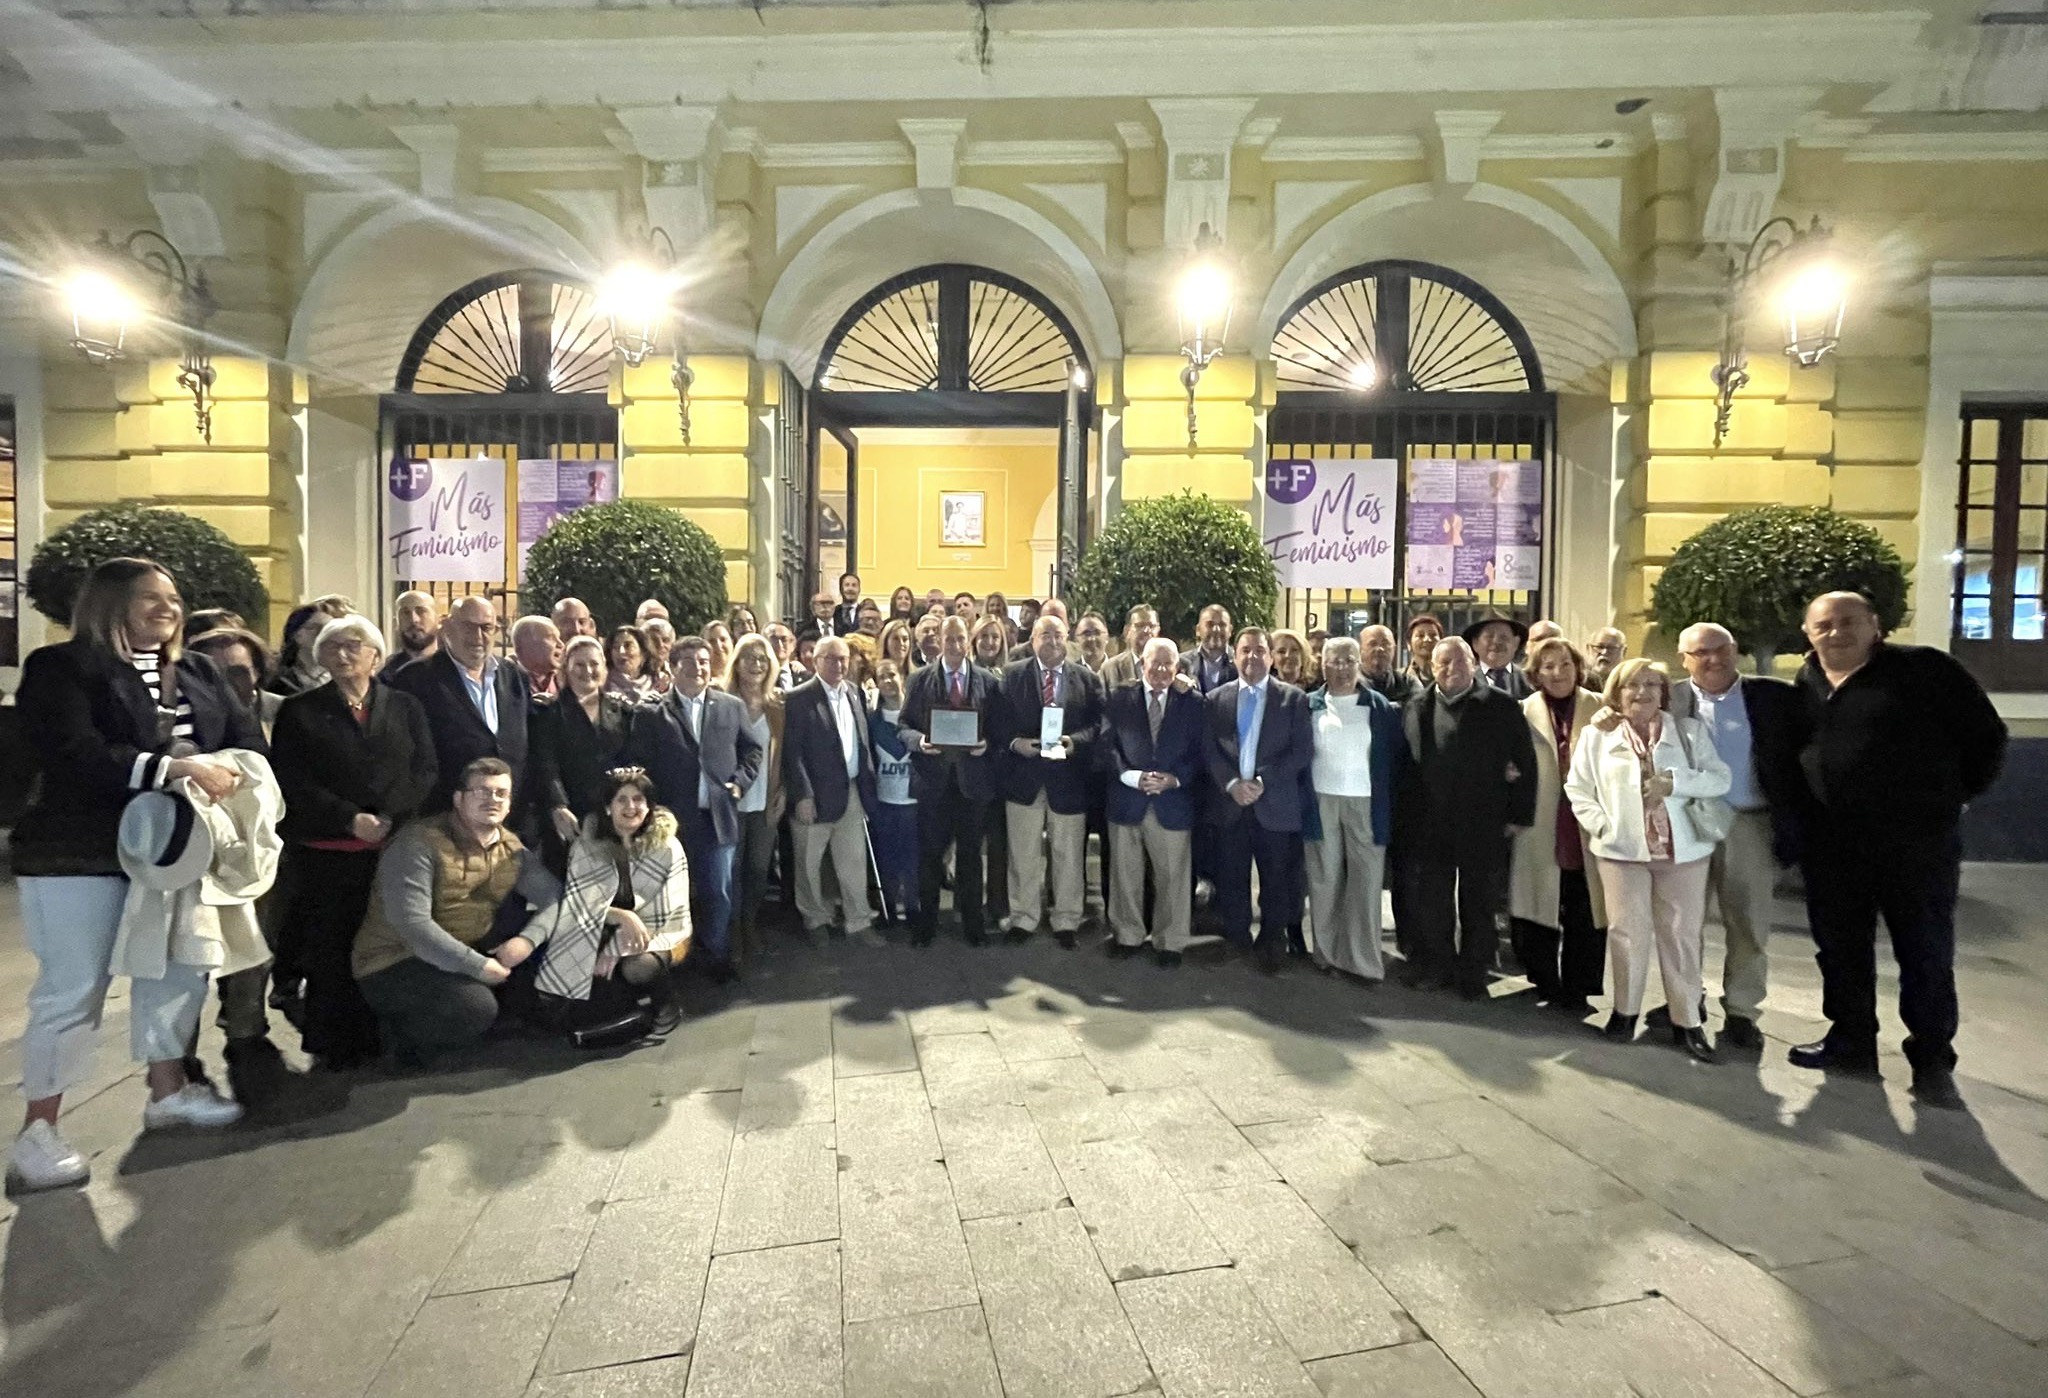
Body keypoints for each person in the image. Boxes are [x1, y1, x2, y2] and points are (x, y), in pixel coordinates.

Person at [7, 559, 265, 1189]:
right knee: (74, 987)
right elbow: (73, 753)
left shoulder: (199, 670)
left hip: (175, 851)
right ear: (108, 603)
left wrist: (232, 768)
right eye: (149, 598)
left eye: (172, 597)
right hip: (80, 853)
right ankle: (38, 1130)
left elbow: (244, 736)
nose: (167, 608)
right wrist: (176, 768)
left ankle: (168, 1090)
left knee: (178, 970)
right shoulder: (61, 667)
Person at [1786, 591, 2006, 1107]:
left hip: (1915, 843)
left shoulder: (1925, 669)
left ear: (1875, 625)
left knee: (1923, 949)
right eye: (1824, 625)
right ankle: (1851, 1041)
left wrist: (1953, 798)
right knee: (1840, 948)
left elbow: (1987, 737)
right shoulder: (1808, 679)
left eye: (1848, 622)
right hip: (1834, 845)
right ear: (1808, 633)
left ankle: (1931, 1060)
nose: (1836, 632)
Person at [269, 614, 436, 1071]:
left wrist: (389, 816)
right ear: (320, 656)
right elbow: (291, 779)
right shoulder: (300, 711)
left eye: (354, 645)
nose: (343, 654)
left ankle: (388, 1033)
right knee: (331, 948)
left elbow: (424, 769)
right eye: (333, 646)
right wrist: (348, 818)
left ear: (375, 656)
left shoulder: (404, 706)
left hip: (392, 843)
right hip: (329, 849)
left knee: (387, 941)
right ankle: (336, 1043)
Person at [1566, 658, 1732, 1061]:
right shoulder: (1597, 735)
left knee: (1682, 936)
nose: (1641, 692)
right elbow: (1578, 788)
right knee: (1626, 934)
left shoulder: (1688, 732)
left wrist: (1674, 783)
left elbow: (1719, 778)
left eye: (1651, 685)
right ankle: (1624, 1013)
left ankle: (1687, 1021)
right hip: (1621, 851)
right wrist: (1603, 826)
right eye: (1631, 685)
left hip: (1683, 852)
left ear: (1664, 692)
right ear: (1616, 693)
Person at [351, 758, 560, 1066]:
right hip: (394, 960)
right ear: (458, 799)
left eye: (501, 793)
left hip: (461, 948)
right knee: (474, 1008)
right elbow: (412, 925)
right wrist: (477, 966)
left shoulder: (511, 848)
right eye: (482, 792)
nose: (493, 800)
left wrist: (527, 941)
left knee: (545, 962)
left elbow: (553, 896)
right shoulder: (417, 843)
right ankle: (400, 1042)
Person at [1668, 622, 1806, 1049]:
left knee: (1748, 921)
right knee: (1682, 922)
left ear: (1735, 650)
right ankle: (1685, 1001)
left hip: (1748, 822)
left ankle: (1743, 1010)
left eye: (1721, 648)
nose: (1713, 659)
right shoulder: (1669, 698)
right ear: (1684, 660)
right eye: (1701, 652)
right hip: (1687, 822)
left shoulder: (1774, 697)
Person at [1396, 637, 1538, 998]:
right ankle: (1438, 965)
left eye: (1460, 662)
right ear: (1432, 668)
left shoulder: (1502, 706)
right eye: (1443, 663)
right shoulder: (1416, 706)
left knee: (1479, 903)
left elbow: (1525, 762)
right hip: (1431, 821)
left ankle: (1473, 974)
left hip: (1483, 821)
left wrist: (1520, 814)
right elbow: (1406, 765)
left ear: (1473, 665)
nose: (1452, 669)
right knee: (1434, 901)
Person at [506, 767, 688, 1043]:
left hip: (661, 928)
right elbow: (578, 901)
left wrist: (617, 946)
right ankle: (626, 1016)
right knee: (574, 972)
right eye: (622, 799)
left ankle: (665, 1000)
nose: (631, 807)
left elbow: (669, 909)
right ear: (607, 807)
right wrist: (621, 917)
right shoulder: (587, 844)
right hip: (603, 926)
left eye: (638, 799)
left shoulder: (667, 846)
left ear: (649, 806)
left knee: (636, 967)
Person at [625, 634, 762, 981]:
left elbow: (752, 750)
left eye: (703, 661)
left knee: (718, 892)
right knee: (673, 895)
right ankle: (673, 959)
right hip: (670, 822)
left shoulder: (731, 706)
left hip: (718, 818)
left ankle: (715, 954)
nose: (698, 668)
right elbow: (638, 765)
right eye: (689, 662)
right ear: (673, 667)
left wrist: (739, 782)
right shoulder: (651, 712)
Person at [1204, 628, 1314, 972]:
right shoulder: (1216, 699)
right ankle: (1236, 939)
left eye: (1260, 650)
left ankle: (1271, 942)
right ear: (1235, 655)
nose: (1252, 656)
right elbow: (1208, 750)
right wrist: (1231, 784)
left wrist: (1263, 781)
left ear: (1270, 656)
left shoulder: (1293, 699)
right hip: (1231, 805)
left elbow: (1301, 751)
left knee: (1276, 881)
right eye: (1245, 650)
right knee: (1232, 878)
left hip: (1275, 804)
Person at [1508, 637, 1607, 1016]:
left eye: (1565, 664)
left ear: (1577, 667)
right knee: (1540, 902)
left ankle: (1579, 988)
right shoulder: (1523, 711)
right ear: (1536, 673)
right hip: (1541, 819)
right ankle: (1545, 980)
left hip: (1587, 820)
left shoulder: (1600, 707)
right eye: (1547, 666)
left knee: (1586, 905)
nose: (1557, 672)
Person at [994, 615, 1106, 948]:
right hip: (1023, 778)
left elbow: (1098, 725)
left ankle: (1066, 920)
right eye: (1046, 635)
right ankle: (1023, 918)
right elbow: (997, 722)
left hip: (1068, 780)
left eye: (1058, 634)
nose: (1053, 641)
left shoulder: (1087, 679)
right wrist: (1015, 743)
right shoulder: (1011, 676)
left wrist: (1075, 742)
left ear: (1067, 638)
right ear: (1033, 640)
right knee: (1023, 855)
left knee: (1068, 855)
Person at [1305, 637, 1404, 981]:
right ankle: (1326, 955)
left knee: (1366, 883)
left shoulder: (1379, 706)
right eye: (1335, 661)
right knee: (1324, 880)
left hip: (1366, 803)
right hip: (1321, 802)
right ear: (1323, 666)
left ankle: (1362, 961)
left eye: (1349, 660)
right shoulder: (1309, 705)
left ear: (1359, 664)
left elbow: (1395, 759)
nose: (1343, 668)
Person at [899, 615, 1001, 946]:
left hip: (973, 786)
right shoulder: (919, 680)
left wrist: (987, 744)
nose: (955, 645)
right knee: (929, 858)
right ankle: (925, 926)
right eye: (949, 639)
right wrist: (919, 742)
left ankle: (973, 926)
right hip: (933, 784)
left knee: (970, 859)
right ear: (939, 641)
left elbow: (999, 730)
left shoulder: (988, 682)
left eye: (960, 639)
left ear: (968, 641)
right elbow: (903, 727)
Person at [1102, 638, 1203, 966]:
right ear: (1141, 664)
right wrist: (1129, 776)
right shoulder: (1120, 697)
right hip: (1127, 797)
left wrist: (1176, 779)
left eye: (1167, 664)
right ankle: (1127, 935)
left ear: (1177, 667)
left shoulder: (1192, 702)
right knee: (1125, 873)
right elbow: (1107, 744)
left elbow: (1201, 752)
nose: (1160, 670)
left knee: (1173, 877)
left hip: (1172, 801)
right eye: (1154, 663)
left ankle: (1170, 942)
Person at [390, 595, 532, 815]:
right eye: (468, 626)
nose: (478, 636)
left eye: (486, 627)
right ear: (447, 627)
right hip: (443, 814)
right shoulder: (414, 678)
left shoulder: (513, 675)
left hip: (507, 812)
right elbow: (404, 753)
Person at [784, 636, 879, 945]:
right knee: (808, 864)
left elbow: (862, 741)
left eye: (843, 659)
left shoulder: (854, 692)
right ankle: (815, 920)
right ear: (816, 661)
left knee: (853, 862)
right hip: (813, 795)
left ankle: (858, 922)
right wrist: (803, 795)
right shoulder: (798, 698)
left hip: (851, 791)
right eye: (831, 658)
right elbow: (792, 753)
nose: (839, 664)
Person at [530, 635, 637, 875]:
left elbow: (631, 760)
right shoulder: (548, 712)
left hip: (614, 816)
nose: (587, 670)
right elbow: (546, 764)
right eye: (579, 664)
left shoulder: (622, 710)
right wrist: (558, 805)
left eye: (594, 664)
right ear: (566, 669)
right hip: (570, 816)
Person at [724, 634, 786, 965]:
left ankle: (750, 923)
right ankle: (733, 929)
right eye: (749, 658)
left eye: (763, 659)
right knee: (732, 869)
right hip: (731, 801)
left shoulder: (777, 706)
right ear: (737, 663)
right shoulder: (722, 701)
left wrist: (783, 792)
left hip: (766, 800)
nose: (757, 664)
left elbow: (785, 755)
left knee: (759, 868)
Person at [869, 660, 919, 924]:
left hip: (914, 800)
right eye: (881, 677)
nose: (887, 681)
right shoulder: (871, 721)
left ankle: (913, 908)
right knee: (886, 858)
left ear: (902, 677)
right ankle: (888, 907)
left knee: (913, 858)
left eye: (892, 675)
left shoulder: (916, 716)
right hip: (884, 800)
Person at [188, 625, 281, 734]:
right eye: (213, 672)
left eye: (237, 672)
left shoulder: (285, 711)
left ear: (257, 671)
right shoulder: (187, 715)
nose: (225, 680)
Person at [268, 594, 354, 697]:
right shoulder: (275, 680)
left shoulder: (345, 677)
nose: (322, 633)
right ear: (296, 634)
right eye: (313, 627)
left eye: (328, 628)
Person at [1465, 613, 1531, 698]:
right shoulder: (1465, 680)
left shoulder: (1530, 679)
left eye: (1504, 637)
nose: (1496, 642)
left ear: (1516, 643)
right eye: (1489, 636)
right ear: (1475, 643)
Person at [382, 590, 441, 681]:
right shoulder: (386, 674)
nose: (414, 619)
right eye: (406, 612)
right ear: (396, 623)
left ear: (438, 620)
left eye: (421, 611)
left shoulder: (454, 668)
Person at [1179, 604, 1237, 694]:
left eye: (1222, 625)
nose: (1216, 630)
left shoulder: (1240, 663)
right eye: (1210, 624)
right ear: (1198, 630)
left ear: (1230, 630)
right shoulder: (1181, 663)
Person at [1101, 604, 1162, 689]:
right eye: (1140, 626)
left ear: (1158, 630)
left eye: (1151, 626)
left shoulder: (1173, 666)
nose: (1146, 631)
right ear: (1127, 631)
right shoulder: (1111, 668)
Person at [1358, 624, 1420, 704]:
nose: (1380, 649)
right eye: (1372, 644)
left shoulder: (1408, 684)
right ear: (1360, 649)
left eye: (1385, 644)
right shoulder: (1350, 686)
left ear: (1394, 649)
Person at [511, 615, 563, 699]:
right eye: (551, 637)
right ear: (526, 646)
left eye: (559, 638)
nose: (561, 644)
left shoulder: (567, 680)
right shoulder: (506, 682)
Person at [605, 624, 657, 702]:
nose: (621, 652)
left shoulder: (658, 683)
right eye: (616, 647)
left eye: (628, 646)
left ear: (644, 653)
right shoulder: (603, 685)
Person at [1271, 627, 1320, 693]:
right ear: (1272, 657)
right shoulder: (1265, 690)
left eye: (1294, 650)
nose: (1288, 655)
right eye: (1281, 651)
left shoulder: (1317, 691)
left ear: (1303, 655)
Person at [1403, 612, 1444, 690]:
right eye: (1420, 635)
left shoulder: (1450, 677)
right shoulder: (1400, 679)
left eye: (1433, 635)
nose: (1427, 639)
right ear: (1409, 644)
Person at [642, 618, 677, 696]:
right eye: (654, 640)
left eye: (665, 640)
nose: (661, 645)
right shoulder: (632, 673)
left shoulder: (677, 673)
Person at [1585, 627, 1628, 692]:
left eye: (1612, 648)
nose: (1604, 652)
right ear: (1588, 648)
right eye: (1599, 647)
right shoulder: (1577, 680)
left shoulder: (1629, 683)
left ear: (1624, 651)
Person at [766, 622, 804, 691]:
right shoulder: (758, 678)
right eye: (773, 639)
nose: (779, 644)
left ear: (793, 645)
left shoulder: (804, 676)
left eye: (784, 640)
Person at [703, 620, 736, 687]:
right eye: (712, 641)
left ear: (732, 642)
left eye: (723, 639)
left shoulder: (744, 677)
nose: (718, 646)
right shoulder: (700, 682)